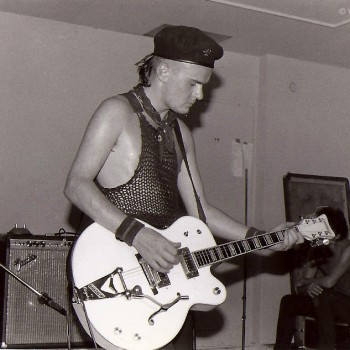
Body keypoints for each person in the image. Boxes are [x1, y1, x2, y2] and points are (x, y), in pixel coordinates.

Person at [64, 25, 303, 349]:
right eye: (194, 84)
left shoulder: (181, 133)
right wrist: (139, 235)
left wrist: (262, 238)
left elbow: (201, 212)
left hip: (168, 277)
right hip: (118, 266)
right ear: (163, 70)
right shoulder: (116, 112)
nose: (200, 95)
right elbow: (77, 185)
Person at [274, 206, 350, 350]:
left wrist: (307, 282)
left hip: (346, 304)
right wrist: (307, 286)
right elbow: (300, 287)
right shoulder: (316, 249)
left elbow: (329, 281)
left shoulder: (348, 248)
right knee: (288, 301)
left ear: (337, 233)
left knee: (323, 294)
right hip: (331, 302)